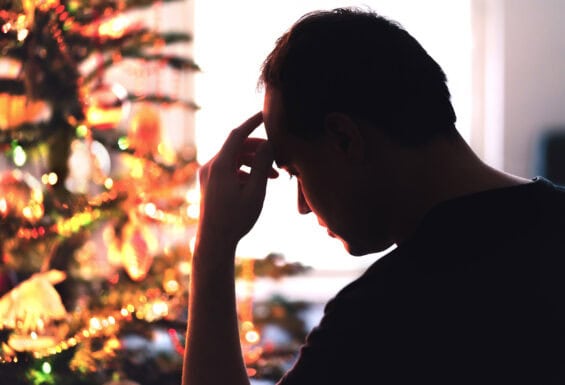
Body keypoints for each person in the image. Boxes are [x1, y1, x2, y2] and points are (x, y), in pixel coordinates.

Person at [183, 7, 565, 385]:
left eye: (296, 172)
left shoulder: (383, 317)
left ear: (344, 138)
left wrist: (213, 246)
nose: (301, 205)